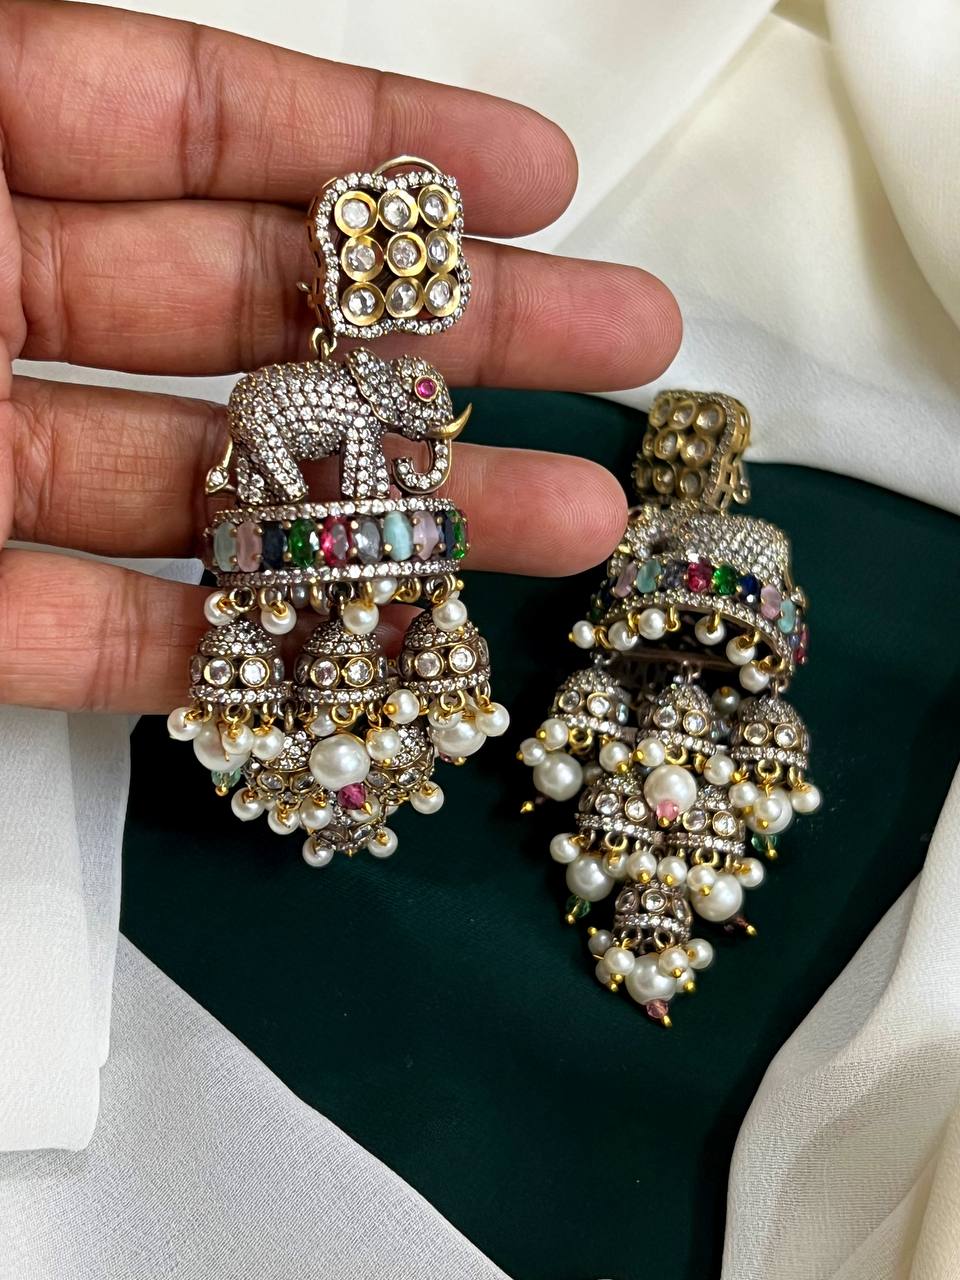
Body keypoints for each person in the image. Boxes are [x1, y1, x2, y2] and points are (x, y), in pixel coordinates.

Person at [0, 0, 680, 715]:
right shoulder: (355, 404)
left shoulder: (361, 391)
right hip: (285, 433)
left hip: (295, 442)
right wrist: (334, 507)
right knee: (297, 499)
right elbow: (360, 456)